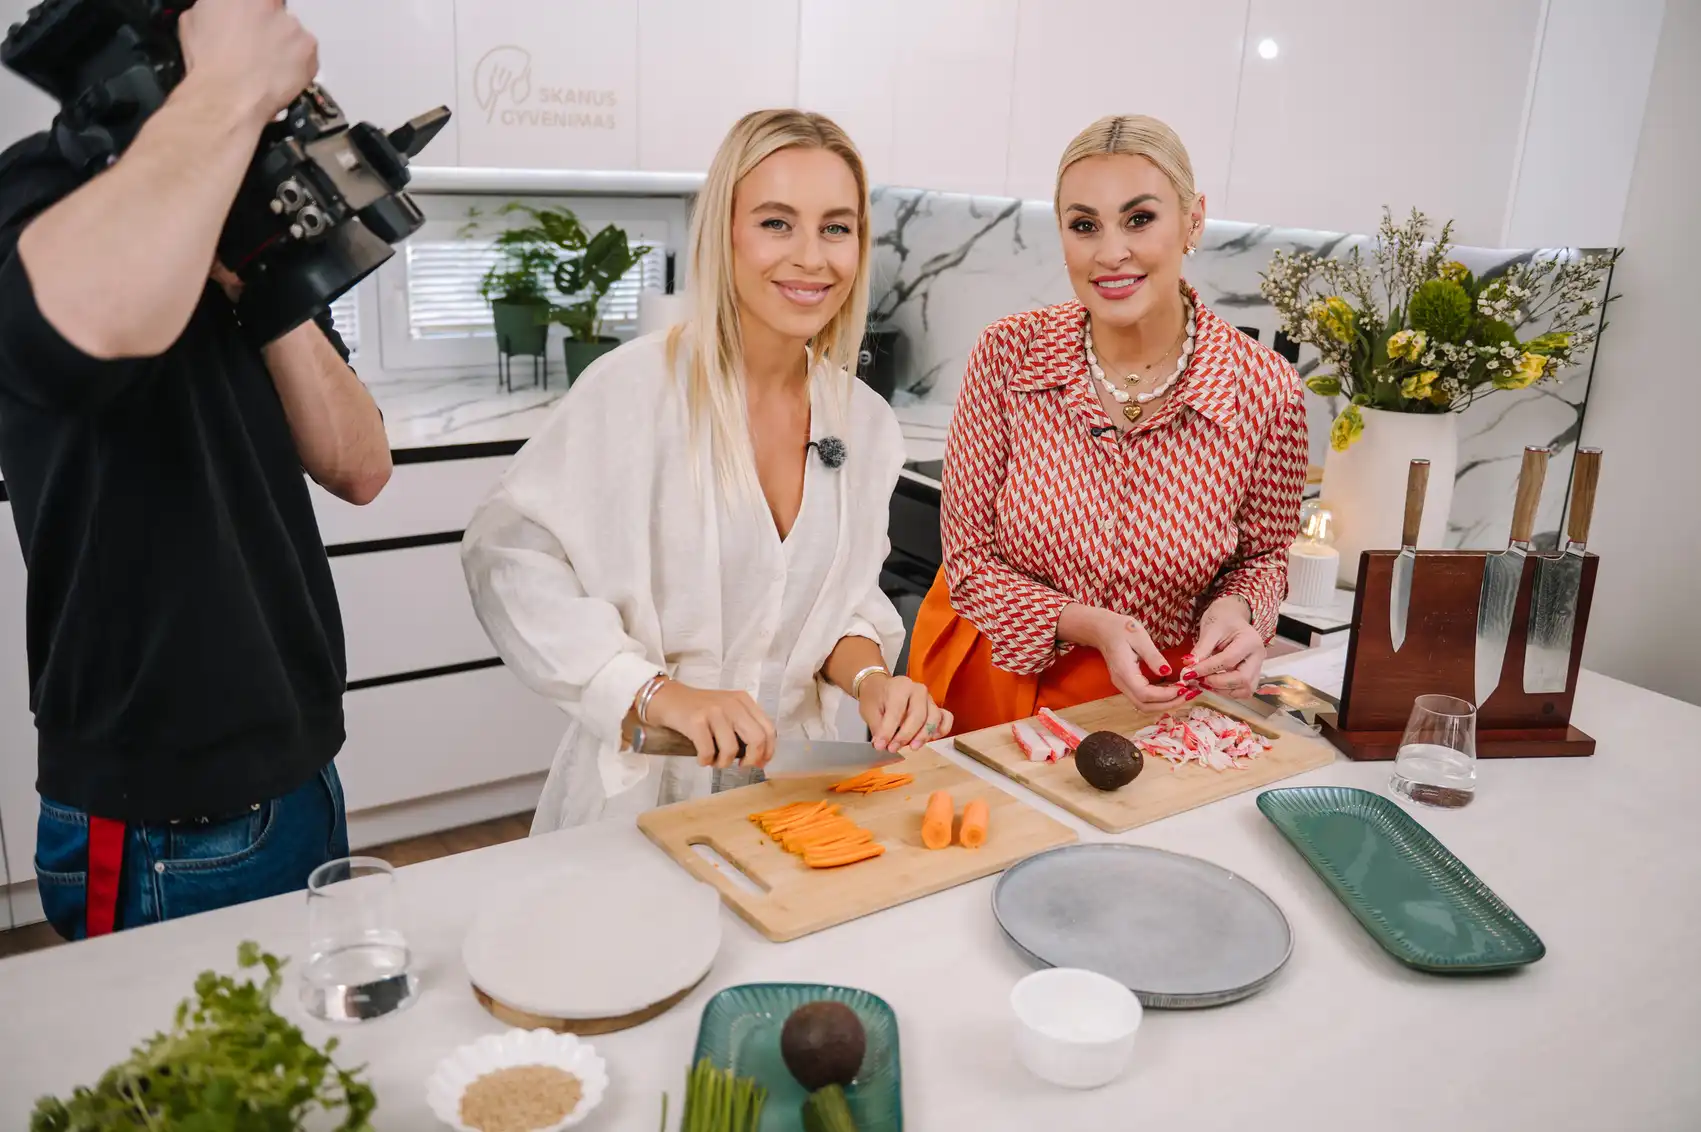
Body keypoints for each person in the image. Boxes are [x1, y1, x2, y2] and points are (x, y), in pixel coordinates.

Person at [0, 0, 391, 938]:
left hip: (300, 763)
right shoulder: (38, 192)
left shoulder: (243, 232)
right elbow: (84, 333)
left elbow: (359, 465)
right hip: (160, 816)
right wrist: (226, 90)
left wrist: (258, 280)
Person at [463, 109, 951, 832]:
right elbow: (506, 560)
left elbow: (839, 607)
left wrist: (873, 678)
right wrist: (654, 693)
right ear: (725, 232)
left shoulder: (866, 424)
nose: (811, 257)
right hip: (638, 800)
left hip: (792, 797)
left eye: (836, 228)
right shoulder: (634, 391)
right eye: (776, 223)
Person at [907, 114, 1307, 734]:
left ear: (1193, 220)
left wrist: (1238, 611)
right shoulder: (1008, 355)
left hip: (1157, 698)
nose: (1110, 252)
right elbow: (968, 560)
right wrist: (1088, 623)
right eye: (1084, 225)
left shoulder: (1264, 389)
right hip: (994, 677)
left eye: (1139, 219)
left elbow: (1263, 559)